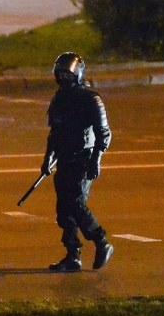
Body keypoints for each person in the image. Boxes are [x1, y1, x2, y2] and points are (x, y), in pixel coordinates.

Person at [40, 52, 114, 272]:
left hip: (83, 159)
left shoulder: (91, 99)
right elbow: (55, 133)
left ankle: (101, 242)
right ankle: (72, 255)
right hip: (64, 159)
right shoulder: (59, 99)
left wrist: (96, 160)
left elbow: (104, 134)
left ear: (78, 75)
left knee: (76, 203)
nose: (64, 79)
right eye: (60, 75)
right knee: (64, 209)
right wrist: (48, 158)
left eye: (68, 75)